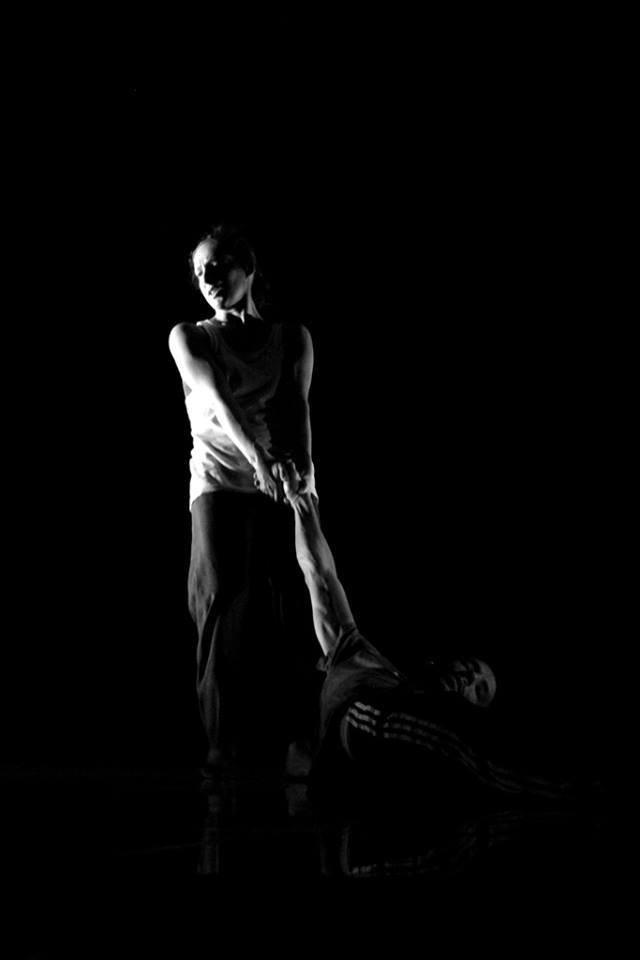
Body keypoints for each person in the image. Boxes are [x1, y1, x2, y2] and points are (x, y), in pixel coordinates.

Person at [274, 461, 594, 803]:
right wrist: (301, 503)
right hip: (367, 723)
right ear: (444, 662)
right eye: (471, 668)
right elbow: (322, 577)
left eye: (480, 690)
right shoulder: (367, 666)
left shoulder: (456, 731)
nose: (470, 679)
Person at [168, 223, 318, 775]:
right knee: (215, 604)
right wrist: (257, 460)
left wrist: (303, 472)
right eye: (200, 270)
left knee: (294, 606)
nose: (208, 277)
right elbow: (218, 400)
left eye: (220, 265)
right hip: (218, 482)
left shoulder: (292, 337)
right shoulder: (190, 336)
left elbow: (297, 407)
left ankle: (302, 739)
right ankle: (220, 744)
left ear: (248, 268)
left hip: (278, 478)